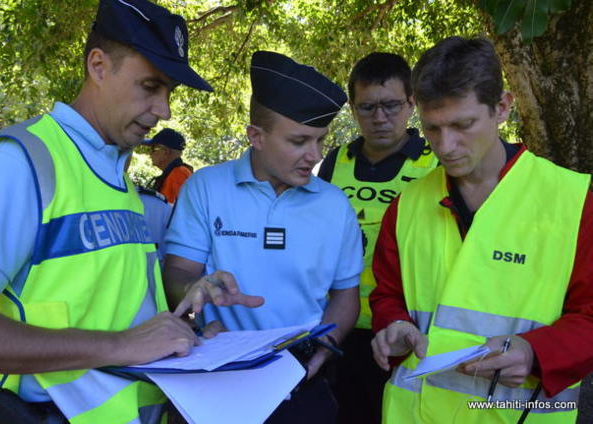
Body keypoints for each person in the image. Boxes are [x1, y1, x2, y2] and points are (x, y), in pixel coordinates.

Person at [0, 1, 262, 423]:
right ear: (98, 66)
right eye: (150, 86)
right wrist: (120, 346)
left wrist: (184, 334)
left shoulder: (116, 176)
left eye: (169, 92)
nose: (165, 111)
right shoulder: (22, 164)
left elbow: (115, 312)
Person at [370, 36, 593, 423]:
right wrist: (394, 325)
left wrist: (535, 352)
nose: (446, 146)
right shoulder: (406, 205)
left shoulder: (573, 202)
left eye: (463, 125)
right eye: (432, 128)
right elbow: (387, 295)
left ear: (502, 107)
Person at [163, 50, 364, 424]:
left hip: (301, 380)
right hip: (214, 378)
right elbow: (177, 272)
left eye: (320, 141)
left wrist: (326, 347)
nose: (314, 155)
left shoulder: (335, 206)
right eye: (299, 141)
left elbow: (346, 295)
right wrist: (196, 290)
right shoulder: (206, 187)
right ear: (256, 136)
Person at [318, 52, 437, 423]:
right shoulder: (335, 162)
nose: (380, 117)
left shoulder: (435, 164)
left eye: (391, 105)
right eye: (367, 107)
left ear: (411, 103)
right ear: (353, 109)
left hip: (403, 331)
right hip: (339, 329)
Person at [147, 128, 193, 203]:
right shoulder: (174, 172)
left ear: (166, 152)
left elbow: (181, 208)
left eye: (154, 149)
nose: (150, 153)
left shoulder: (179, 174)